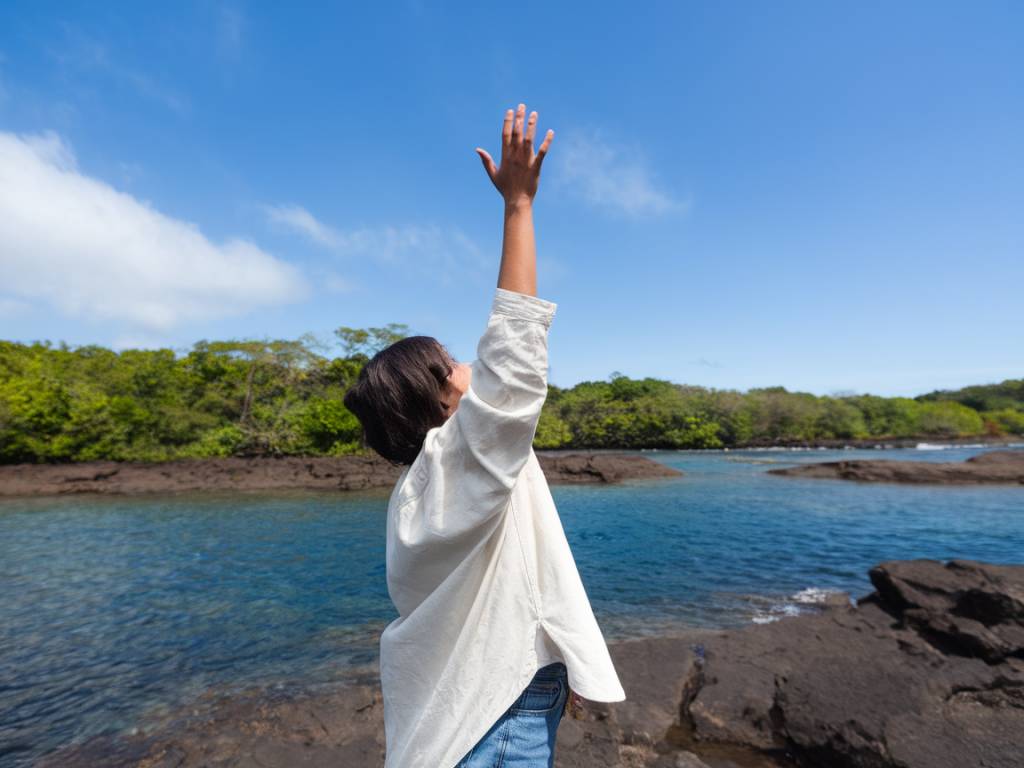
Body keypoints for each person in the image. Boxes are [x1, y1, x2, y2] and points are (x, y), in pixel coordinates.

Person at [343, 102, 626, 768]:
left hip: (479, 706)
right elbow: (514, 349)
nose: (470, 369)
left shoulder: (417, 496)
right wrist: (519, 205)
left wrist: (555, 662)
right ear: (441, 400)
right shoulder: (464, 459)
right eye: (454, 364)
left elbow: (502, 592)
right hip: (502, 718)